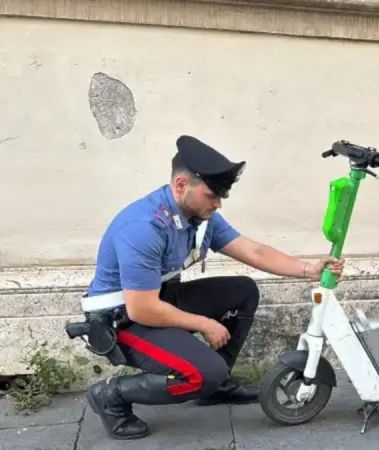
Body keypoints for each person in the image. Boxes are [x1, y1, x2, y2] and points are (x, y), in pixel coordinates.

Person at [81, 135, 345, 440]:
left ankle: (215, 386)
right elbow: (142, 309)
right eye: (211, 195)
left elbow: (253, 252)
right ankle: (111, 395)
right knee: (204, 372)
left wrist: (308, 269)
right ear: (181, 186)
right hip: (123, 319)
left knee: (243, 291)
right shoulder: (144, 227)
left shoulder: (200, 216)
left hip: (160, 300)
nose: (218, 203)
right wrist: (203, 323)